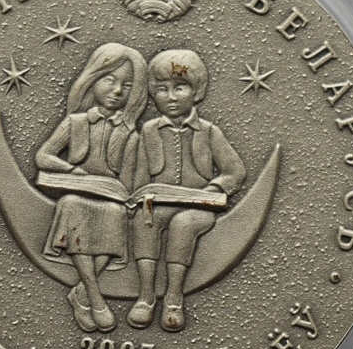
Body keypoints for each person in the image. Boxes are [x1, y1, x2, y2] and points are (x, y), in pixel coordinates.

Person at [128, 50, 246, 332]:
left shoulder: (208, 131)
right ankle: (146, 296)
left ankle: (173, 298)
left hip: (199, 207)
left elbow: (235, 171)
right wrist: (136, 195)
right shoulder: (149, 130)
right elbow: (140, 173)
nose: (170, 97)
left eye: (179, 88)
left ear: (197, 91)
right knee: (145, 219)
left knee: (183, 224)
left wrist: (214, 188)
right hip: (159, 203)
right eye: (161, 89)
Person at [36, 43, 147, 332]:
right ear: (92, 79)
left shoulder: (129, 133)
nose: (117, 90)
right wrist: (71, 170)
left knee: (115, 213)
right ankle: (95, 299)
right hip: (76, 191)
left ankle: (82, 293)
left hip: (110, 198)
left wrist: (128, 195)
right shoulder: (75, 122)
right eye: (110, 80)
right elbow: (43, 156)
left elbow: (128, 180)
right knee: (71, 204)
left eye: (127, 85)